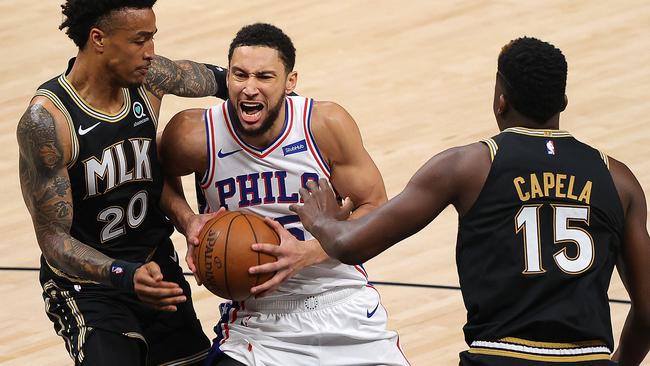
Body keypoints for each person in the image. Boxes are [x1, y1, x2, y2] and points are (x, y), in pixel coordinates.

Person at [291, 37, 650, 365]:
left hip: (499, 356)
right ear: (563, 102)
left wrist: (322, 221)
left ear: (500, 99)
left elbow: (350, 246)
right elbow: (648, 313)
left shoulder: (469, 165)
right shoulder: (618, 179)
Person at [159, 23, 410, 366]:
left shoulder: (323, 124)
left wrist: (309, 252)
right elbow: (156, 173)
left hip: (340, 302)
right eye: (239, 75)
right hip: (257, 320)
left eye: (264, 77)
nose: (249, 88)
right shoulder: (195, 133)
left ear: (290, 81)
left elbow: (376, 208)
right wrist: (188, 220)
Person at [16, 1, 230, 365]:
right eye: (139, 40)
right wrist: (122, 275)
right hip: (90, 287)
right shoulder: (49, 122)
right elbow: (54, 241)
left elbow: (233, 82)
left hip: (155, 267)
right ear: (98, 39)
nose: (150, 53)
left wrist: (296, 107)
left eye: (152, 39)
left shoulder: (151, 79)